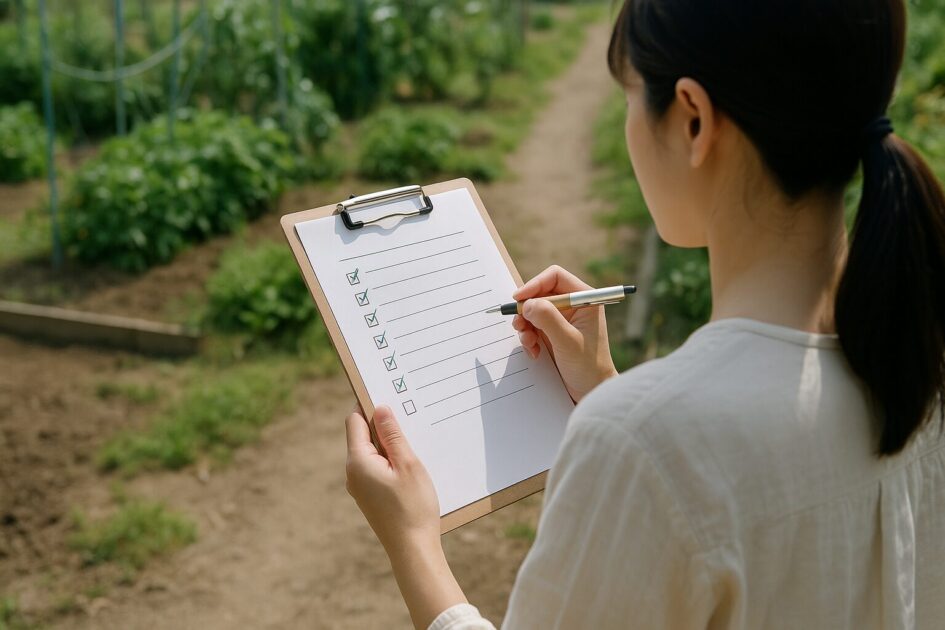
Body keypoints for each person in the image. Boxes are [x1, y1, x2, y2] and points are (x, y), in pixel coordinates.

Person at [343, 0, 945, 628]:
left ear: (692, 120)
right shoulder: (921, 362)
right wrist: (609, 392)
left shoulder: (643, 447)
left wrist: (412, 540)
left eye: (628, 94)